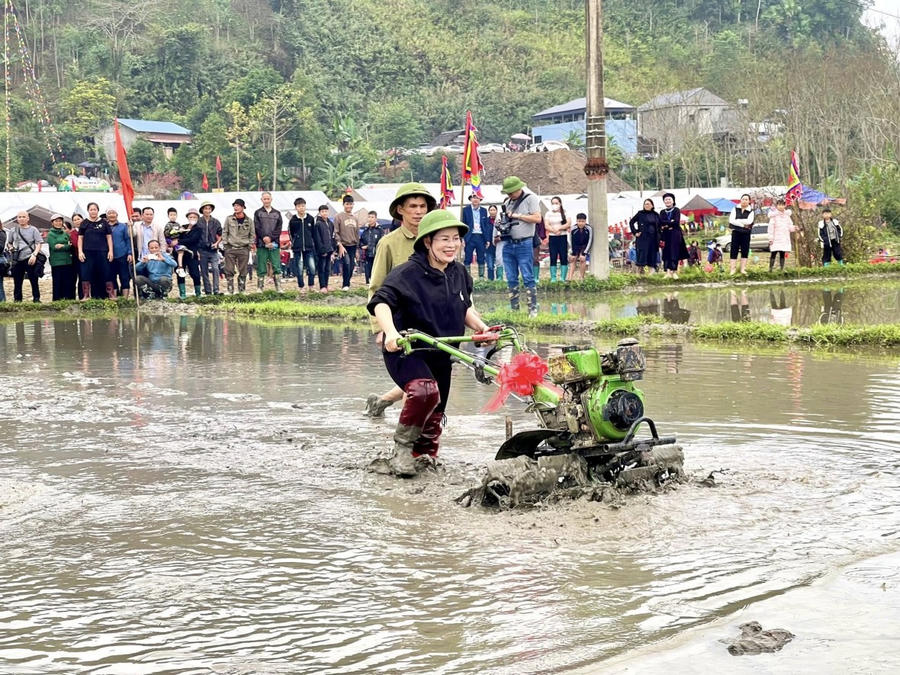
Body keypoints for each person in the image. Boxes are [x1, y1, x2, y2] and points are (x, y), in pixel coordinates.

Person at [367, 209, 495, 477]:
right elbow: (380, 303)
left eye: (456, 239)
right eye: (444, 239)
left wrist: (482, 328)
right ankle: (401, 450)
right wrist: (390, 333)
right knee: (424, 391)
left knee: (436, 413)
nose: (451, 245)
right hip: (408, 349)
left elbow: (464, 307)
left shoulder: (459, 272)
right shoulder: (408, 273)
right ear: (428, 242)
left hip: (442, 351)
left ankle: (423, 459)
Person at [364, 183, 437, 417]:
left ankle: (382, 401)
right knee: (418, 385)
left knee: (430, 376)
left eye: (423, 206)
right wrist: (380, 328)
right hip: (400, 324)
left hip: (434, 321)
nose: (418, 211)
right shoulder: (389, 243)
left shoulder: (437, 240)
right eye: (412, 206)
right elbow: (376, 286)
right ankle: (409, 438)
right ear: (400, 211)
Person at [499, 175, 542, 315]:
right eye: (508, 193)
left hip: (524, 243)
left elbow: (537, 218)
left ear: (519, 189)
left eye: (511, 192)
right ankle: (515, 309)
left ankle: (532, 310)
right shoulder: (507, 201)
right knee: (511, 277)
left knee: (527, 276)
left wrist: (517, 216)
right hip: (508, 243)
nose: (509, 195)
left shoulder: (531, 199)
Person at [77, 202, 114, 299]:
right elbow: (80, 238)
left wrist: (111, 251)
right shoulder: (84, 223)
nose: (93, 211)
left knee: (106, 271)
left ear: (98, 210)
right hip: (87, 252)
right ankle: (86, 295)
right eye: (91, 209)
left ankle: (110, 293)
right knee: (86, 272)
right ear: (88, 211)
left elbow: (109, 237)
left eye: (95, 209)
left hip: (103, 251)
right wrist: (80, 252)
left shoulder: (104, 222)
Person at [7, 211, 44, 303]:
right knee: (17, 281)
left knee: (33, 279)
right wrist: (11, 247)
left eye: (24, 217)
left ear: (28, 218)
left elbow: (39, 243)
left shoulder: (33, 229)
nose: (21, 219)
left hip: (30, 257)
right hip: (17, 258)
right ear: (17, 218)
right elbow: (9, 242)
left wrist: (34, 255)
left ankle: (36, 299)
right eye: (19, 217)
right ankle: (17, 300)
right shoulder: (13, 230)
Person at [222, 199, 254, 294]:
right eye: (234, 206)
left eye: (238, 206)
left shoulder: (249, 220)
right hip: (230, 248)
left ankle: (242, 290)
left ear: (243, 207)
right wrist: (225, 244)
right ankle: (230, 290)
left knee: (243, 270)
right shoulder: (229, 219)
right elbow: (225, 232)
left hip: (244, 248)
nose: (236, 208)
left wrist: (249, 245)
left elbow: (252, 234)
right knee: (229, 270)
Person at [253, 191, 283, 291]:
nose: (266, 200)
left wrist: (271, 238)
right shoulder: (258, 213)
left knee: (276, 265)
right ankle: (260, 287)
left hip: (274, 243)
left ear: (271, 199)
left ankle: (278, 287)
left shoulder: (277, 213)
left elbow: (279, 228)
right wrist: (264, 238)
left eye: (268, 198)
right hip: (262, 244)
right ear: (262, 200)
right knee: (261, 265)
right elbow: (257, 227)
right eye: (264, 199)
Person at [288, 197, 317, 292]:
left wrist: (312, 243)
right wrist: (294, 243)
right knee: (299, 268)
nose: (301, 208)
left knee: (312, 267)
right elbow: (290, 233)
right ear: (296, 207)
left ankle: (311, 286)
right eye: (299, 206)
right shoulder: (293, 220)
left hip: (309, 247)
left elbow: (313, 233)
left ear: (305, 206)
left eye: (303, 206)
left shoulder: (310, 219)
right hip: (297, 248)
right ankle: (301, 287)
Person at [174, 208, 204, 298]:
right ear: (187, 217)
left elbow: (193, 240)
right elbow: (175, 235)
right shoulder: (183, 227)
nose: (192, 218)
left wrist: (179, 241)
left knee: (195, 273)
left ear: (197, 218)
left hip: (192, 253)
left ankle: (198, 293)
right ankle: (182, 294)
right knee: (180, 272)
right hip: (180, 254)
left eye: (194, 217)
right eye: (190, 217)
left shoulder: (198, 229)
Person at [46, 214, 76, 301]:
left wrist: (63, 246)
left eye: (60, 221)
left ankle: (67, 299)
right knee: (57, 282)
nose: (58, 223)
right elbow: (54, 247)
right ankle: (57, 300)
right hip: (57, 262)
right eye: (56, 221)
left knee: (67, 282)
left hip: (67, 261)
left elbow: (70, 245)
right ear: (52, 223)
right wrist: (66, 245)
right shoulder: (50, 234)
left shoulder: (65, 233)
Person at [333, 194, 360, 290]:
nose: (349, 206)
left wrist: (357, 249)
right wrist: (339, 245)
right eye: (347, 204)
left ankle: (347, 283)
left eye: (351, 204)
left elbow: (357, 234)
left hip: (353, 245)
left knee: (352, 266)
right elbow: (335, 232)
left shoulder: (355, 218)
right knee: (346, 263)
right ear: (343, 204)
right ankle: (345, 285)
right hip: (343, 245)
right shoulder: (338, 217)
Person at [659, 193, 688, 279]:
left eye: (669, 199)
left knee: (675, 253)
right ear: (664, 201)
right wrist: (670, 223)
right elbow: (661, 222)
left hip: (675, 234)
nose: (667, 201)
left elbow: (676, 222)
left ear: (673, 201)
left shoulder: (676, 210)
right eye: (666, 199)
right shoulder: (662, 212)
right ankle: (667, 272)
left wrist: (666, 224)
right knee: (666, 253)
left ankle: (674, 272)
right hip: (665, 235)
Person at [462, 193, 490, 278]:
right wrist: (462, 238)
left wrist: (487, 239)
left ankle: (481, 277)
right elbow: (463, 223)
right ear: (470, 199)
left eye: (477, 198)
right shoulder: (465, 210)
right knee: (468, 257)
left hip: (481, 236)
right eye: (473, 198)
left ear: (480, 200)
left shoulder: (484, 211)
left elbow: (486, 226)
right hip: (470, 236)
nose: (475, 199)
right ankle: (467, 277)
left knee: (481, 257)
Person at [197, 201, 222, 294]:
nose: (207, 210)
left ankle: (216, 290)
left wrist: (217, 243)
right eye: (205, 208)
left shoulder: (216, 222)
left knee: (216, 269)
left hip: (213, 249)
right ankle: (208, 290)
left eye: (209, 208)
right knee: (204, 271)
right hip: (202, 249)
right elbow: (195, 236)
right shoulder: (198, 222)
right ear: (202, 210)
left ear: (211, 210)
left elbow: (221, 234)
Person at [629, 199, 660, 274]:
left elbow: (659, 226)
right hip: (642, 238)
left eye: (648, 204)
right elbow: (631, 222)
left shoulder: (656, 215)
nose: (647, 205)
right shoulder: (640, 213)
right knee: (641, 256)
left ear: (652, 205)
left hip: (653, 239)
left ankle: (651, 275)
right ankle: (638, 274)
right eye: (645, 204)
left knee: (652, 256)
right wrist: (635, 232)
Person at [544, 196, 570, 283]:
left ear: (560, 204)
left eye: (556, 203)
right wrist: (554, 231)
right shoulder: (548, 213)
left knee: (563, 256)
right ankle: (553, 278)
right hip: (552, 237)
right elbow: (546, 225)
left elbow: (568, 224)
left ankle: (563, 277)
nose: (554, 205)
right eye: (553, 203)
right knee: (553, 256)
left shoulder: (565, 212)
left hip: (562, 236)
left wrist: (559, 229)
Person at [108, 208, 132, 299]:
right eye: (110, 213)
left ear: (117, 215)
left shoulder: (123, 226)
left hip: (122, 254)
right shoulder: (105, 226)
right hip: (109, 256)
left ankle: (125, 298)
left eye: (113, 213)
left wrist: (129, 253)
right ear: (107, 215)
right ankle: (114, 297)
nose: (112, 215)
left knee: (124, 276)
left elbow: (127, 240)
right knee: (112, 277)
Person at [728, 194, 754, 276]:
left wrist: (738, 220)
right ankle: (732, 269)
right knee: (734, 250)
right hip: (736, 232)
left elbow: (749, 221)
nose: (744, 201)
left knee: (745, 250)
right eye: (743, 199)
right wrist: (742, 224)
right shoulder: (735, 208)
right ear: (740, 200)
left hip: (746, 233)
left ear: (749, 201)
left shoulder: (751, 211)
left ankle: (743, 269)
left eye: (746, 199)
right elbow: (731, 220)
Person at [767, 199, 796, 272]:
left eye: (782, 205)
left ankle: (782, 269)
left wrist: (794, 228)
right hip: (776, 238)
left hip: (784, 237)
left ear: (785, 205)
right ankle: (770, 269)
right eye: (779, 205)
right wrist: (770, 238)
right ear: (776, 206)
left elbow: (790, 226)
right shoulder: (773, 216)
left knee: (782, 253)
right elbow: (771, 228)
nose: (781, 206)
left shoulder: (787, 216)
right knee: (773, 253)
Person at [312, 205, 335, 292]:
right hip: (321, 251)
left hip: (329, 249)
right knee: (321, 268)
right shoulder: (318, 224)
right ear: (320, 213)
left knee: (327, 268)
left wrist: (333, 248)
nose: (324, 213)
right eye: (322, 211)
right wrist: (322, 250)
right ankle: (322, 286)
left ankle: (326, 285)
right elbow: (317, 239)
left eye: (326, 211)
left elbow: (332, 236)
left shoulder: (330, 223)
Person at [359, 210, 384, 285]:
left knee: (376, 269)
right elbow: (361, 241)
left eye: (372, 217)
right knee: (367, 268)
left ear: (376, 219)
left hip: (377, 254)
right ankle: (367, 282)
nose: (370, 219)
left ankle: (375, 282)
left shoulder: (380, 230)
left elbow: (382, 242)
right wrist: (362, 246)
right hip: (367, 254)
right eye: (369, 217)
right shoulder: (365, 230)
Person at [568, 213, 592, 281]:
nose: (581, 223)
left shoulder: (589, 228)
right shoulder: (573, 228)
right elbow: (571, 240)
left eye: (582, 221)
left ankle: (582, 278)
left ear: (585, 221)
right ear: (576, 221)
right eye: (579, 221)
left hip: (584, 246)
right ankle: (570, 278)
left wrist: (585, 252)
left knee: (582, 259)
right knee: (573, 259)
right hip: (575, 245)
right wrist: (572, 252)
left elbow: (590, 240)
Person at [69, 213, 84, 299]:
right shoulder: (73, 233)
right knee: (81, 277)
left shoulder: (87, 229)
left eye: (78, 219)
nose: (77, 221)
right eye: (75, 220)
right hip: (77, 257)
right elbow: (75, 243)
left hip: (89, 256)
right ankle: (81, 296)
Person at [486, 205, 501, 281]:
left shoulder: (499, 220)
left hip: (498, 244)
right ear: (488, 211)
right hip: (489, 246)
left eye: (494, 210)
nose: (492, 211)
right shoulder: (485, 221)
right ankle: (490, 280)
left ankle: (499, 279)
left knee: (499, 263)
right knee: (490, 265)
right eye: (491, 210)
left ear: (496, 211)